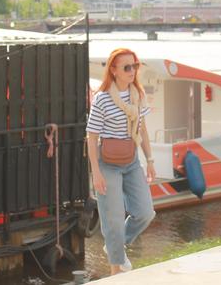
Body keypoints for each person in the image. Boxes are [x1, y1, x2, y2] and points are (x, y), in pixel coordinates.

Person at [86, 48, 157, 275]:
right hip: (107, 163)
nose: (132, 71)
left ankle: (114, 247)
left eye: (135, 66)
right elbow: (92, 136)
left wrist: (151, 160)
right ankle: (115, 270)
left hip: (132, 161)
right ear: (114, 71)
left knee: (146, 212)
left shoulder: (138, 95)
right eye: (126, 67)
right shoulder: (102, 99)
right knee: (113, 219)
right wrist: (95, 172)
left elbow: (143, 130)